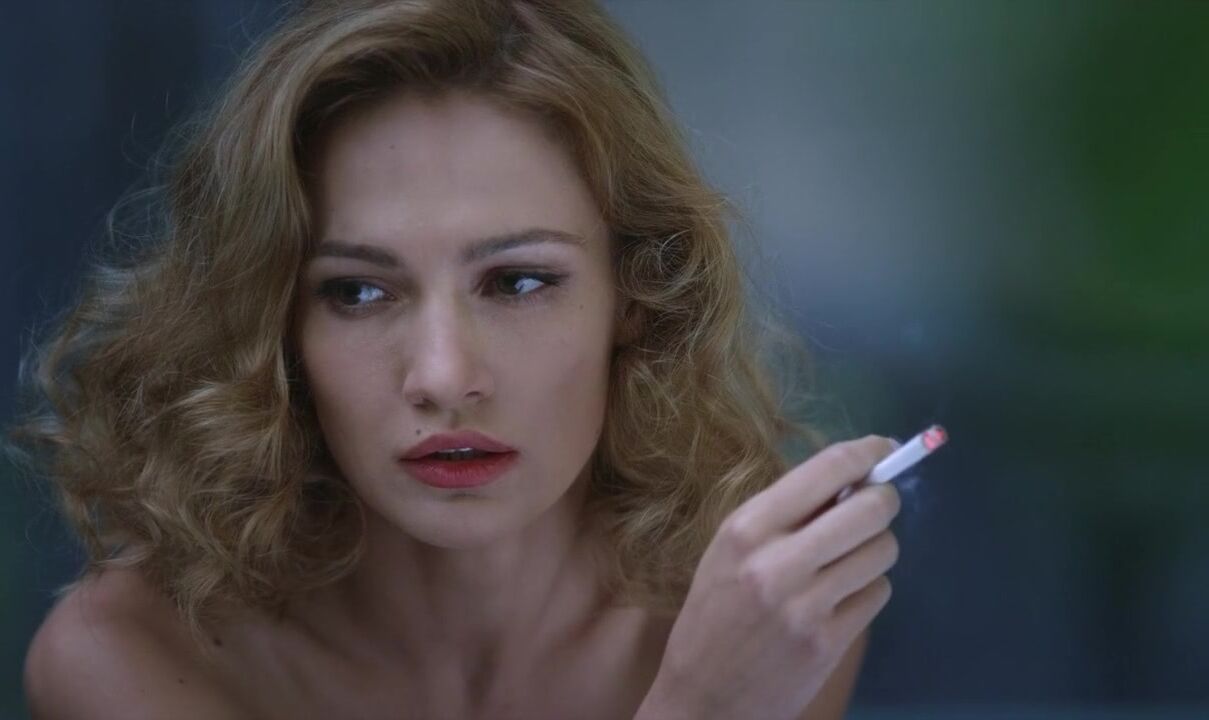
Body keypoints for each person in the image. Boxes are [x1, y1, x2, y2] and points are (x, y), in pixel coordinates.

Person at [9, 0, 902, 718]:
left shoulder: (762, 616)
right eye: (358, 292)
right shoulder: (132, 660)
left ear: (636, 295)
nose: (441, 376)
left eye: (517, 282)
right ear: (274, 324)